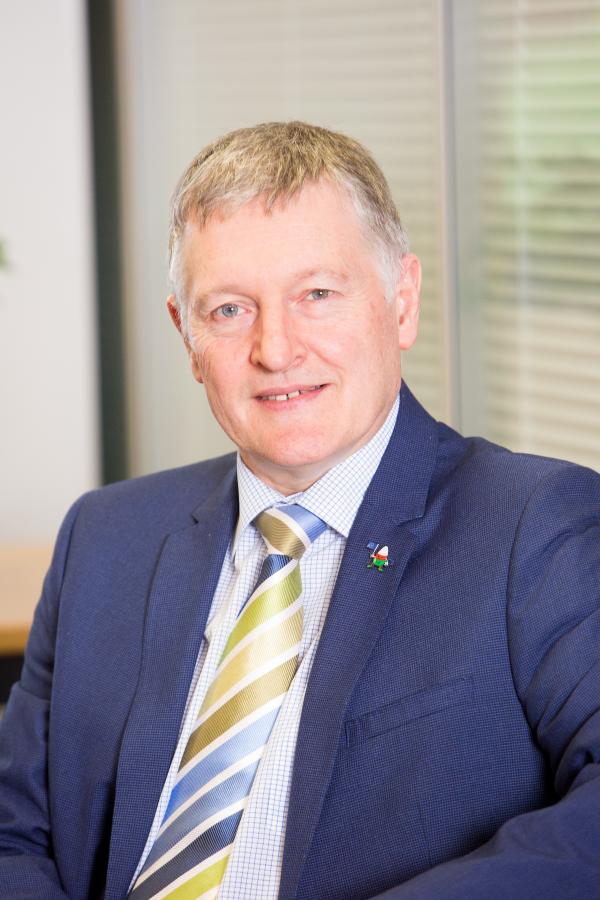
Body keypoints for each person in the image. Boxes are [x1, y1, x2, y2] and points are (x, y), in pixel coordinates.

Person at [1, 121, 599, 900]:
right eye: (228, 311)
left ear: (402, 302)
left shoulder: (532, 526)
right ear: (187, 337)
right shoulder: (106, 538)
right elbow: (13, 829)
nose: (276, 349)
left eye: (316, 294)